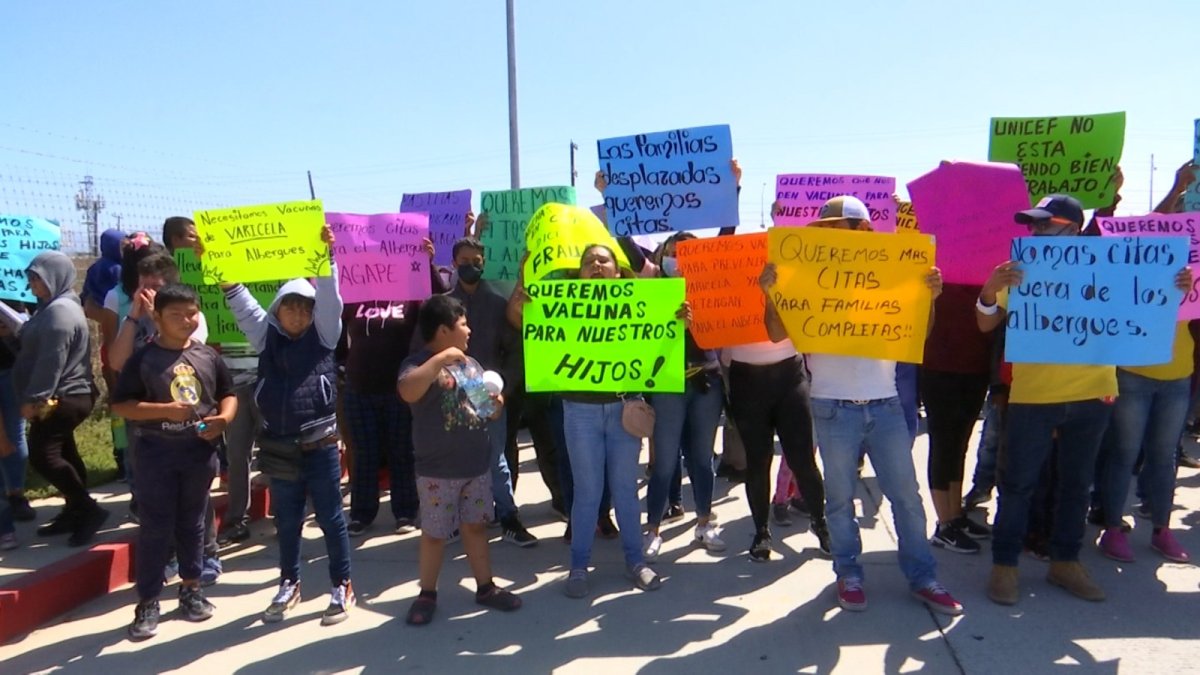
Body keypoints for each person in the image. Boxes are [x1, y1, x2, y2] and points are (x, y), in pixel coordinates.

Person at [978, 194, 1193, 605]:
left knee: (1077, 485)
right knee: (1017, 484)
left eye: (1045, 223)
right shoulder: (1023, 269)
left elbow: (1150, 310)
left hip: (1093, 393)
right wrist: (990, 289)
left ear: (1074, 229)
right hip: (1033, 394)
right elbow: (984, 322)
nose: (1035, 232)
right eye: (1033, 225)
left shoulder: (1113, 266)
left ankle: (1065, 562)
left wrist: (1175, 285)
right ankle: (1004, 567)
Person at [761, 196, 962, 616]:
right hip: (832, 406)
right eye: (825, 228)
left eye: (839, 226)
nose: (831, 234)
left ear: (864, 231)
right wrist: (771, 292)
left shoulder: (894, 273)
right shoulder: (806, 275)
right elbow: (777, 330)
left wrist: (930, 298)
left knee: (906, 498)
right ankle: (848, 572)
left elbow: (919, 335)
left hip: (885, 404)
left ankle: (923, 576)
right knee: (838, 499)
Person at [220, 226, 355, 626]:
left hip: (321, 445)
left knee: (331, 517)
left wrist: (328, 260)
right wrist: (219, 263)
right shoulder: (266, 338)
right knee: (287, 519)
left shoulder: (325, 336)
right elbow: (242, 304)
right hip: (278, 445)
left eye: (305, 308)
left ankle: (341, 584)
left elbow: (332, 301)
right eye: (289, 306)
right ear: (276, 309)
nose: (298, 314)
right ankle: (289, 583)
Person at [110, 283, 235, 639]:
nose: (186, 320)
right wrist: (164, 411)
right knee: (156, 527)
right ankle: (148, 601)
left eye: (191, 313)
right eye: (175, 314)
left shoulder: (207, 356)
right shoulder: (144, 360)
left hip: (198, 455)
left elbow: (227, 395)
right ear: (158, 317)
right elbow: (121, 405)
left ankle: (191, 589)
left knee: (194, 523)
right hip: (155, 454)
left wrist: (224, 419)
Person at [398, 295, 522, 624]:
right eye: (463, 324)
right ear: (442, 330)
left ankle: (486, 587)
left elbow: (486, 409)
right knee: (435, 534)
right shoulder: (417, 364)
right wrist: (441, 360)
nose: (469, 330)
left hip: (475, 467)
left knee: (476, 527)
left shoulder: (470, 365)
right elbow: (408, 391)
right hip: (437, 472)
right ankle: (427, 593)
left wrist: (495, 405)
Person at [342, 239, 443, 537]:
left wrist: (427, 263)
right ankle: (361, 513)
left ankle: (405, 511)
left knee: (401, 451)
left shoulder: (410, 297)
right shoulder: (354, 297)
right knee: (364, 452)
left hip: (399, 388)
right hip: (359, 386)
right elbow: (334, 325)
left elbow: (439, 304)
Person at [445, 236, 536, 546]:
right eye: (465, 261)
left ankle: (508, 517)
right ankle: (456, 520)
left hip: (489, 394)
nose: (471, 266)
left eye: (477, 261)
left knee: (496, 460)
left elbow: (514, 352)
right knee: (455, 460)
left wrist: (504, 391)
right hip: (452, 394)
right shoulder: (442, 306)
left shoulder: (498, 304)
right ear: (454, 263)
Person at [12, 251, 106, 547]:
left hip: (65, 396)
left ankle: (88, 509)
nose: (31, 286)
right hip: (66, 394)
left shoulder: (59, 312)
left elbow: (52, 361)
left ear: (53, 276)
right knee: (64, 451)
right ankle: (74, 510)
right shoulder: (51, 308)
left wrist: (34, 398)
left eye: (36, 279)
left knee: (44, 455)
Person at [642, 232, 726, 560]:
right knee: (663, 463)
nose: (676, 259)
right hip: (667, 387)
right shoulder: (650, 293)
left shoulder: (713, 290)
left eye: (685, 254)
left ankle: (705, 522)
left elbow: (727, 244)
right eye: (672, 253)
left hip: (706, 383)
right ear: (662, 257)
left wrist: (733, 191)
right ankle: (653, 528)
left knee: (702, 460)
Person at [921, 282, 994, 554]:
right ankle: (944, 524)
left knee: (960, 444)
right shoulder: (937, 253)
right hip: (938, 361)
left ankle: (955, 514)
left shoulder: (990, 252)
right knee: (943, 442)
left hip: (976, 361)